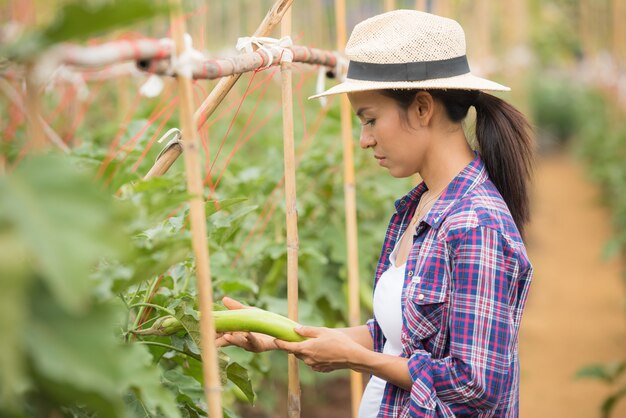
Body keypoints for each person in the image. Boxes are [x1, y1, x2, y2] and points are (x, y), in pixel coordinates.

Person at [217, 9, 534, 418]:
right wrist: (276, 335)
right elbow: (395, 337)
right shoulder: (417, 207)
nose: (364, 140)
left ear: (422, 108)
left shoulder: (475, 224)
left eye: (370, 120)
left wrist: (358, 360)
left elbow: (476, 385)